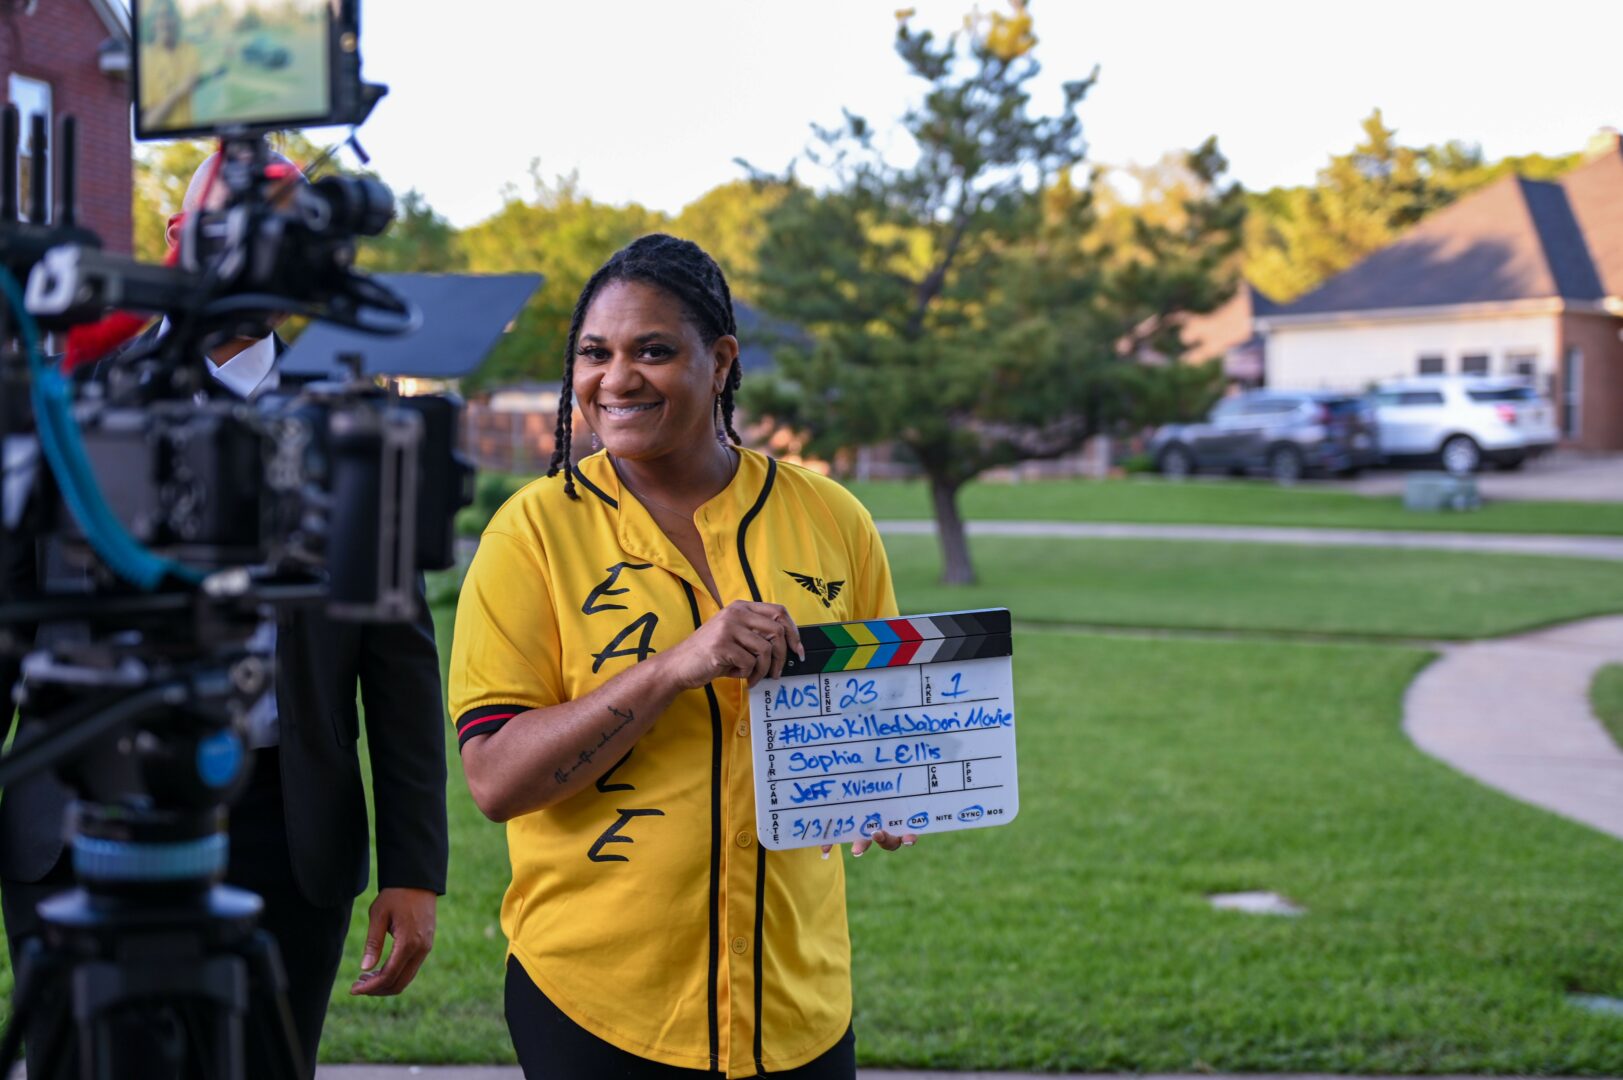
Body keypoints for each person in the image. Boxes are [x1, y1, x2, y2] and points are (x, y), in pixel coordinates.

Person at [0, 152, 449, 1079]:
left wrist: (413, 866)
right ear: (178, 243)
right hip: (79, 812)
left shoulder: (349, 417)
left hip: (283, 826)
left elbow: (398, 658)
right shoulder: (73, 394)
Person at [451, 234, 915, 1080]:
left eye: (653, 351)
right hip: (600, 1003)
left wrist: (880, 790)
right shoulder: (532, 531)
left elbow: (879, 725)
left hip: (794, 1000)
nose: (616, 378)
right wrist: (671, 668)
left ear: (721, 361)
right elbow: (495, 781)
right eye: (595, 353)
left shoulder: (831, 517)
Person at [139, 0, 206, 132]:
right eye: (160, 16)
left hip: (190, 134)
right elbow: (148, 123)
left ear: (176, 20)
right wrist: (177, 92)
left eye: (169, 15)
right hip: (163, 140)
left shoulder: (189, 50)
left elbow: (194, 81)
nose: (165, 22)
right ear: (153, 22)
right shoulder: (145, 58)